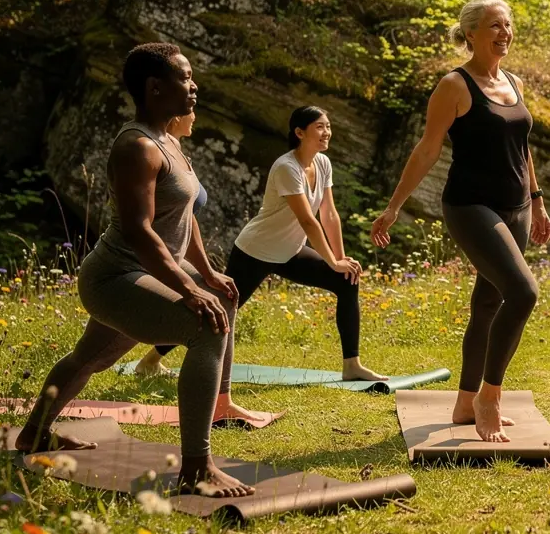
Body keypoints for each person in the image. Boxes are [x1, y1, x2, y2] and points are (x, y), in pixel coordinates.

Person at [14, 43, 252, 498]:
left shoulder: (170, 141)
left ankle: (33, 435)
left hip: (141, 273)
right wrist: (188, 289)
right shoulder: (137, 147)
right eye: (185, 78)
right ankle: (196, 469)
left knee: (91, 357)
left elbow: (186, 217)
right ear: (155, 87)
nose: (194, 85)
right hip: (115, 278)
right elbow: (141, 233)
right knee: (207, 327)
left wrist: (206, 272)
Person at [369, 0, 550, 443]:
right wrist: (394, 206)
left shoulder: (514, 82)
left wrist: (538, 200)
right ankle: (490, 395)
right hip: (471, 207)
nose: (504, 32)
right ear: (471, 33)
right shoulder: (454, 85)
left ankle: (464, 402)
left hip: (518, 208)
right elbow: (428, 149)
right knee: (524, 292)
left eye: (508, 25)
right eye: (495, 25)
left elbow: (522, 148)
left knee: (488, 305)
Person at [140, 106, 386, 406]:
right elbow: (308, 220)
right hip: (255, 251)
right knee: (220, 308)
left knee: (347, 281)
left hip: (290, 252)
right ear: (299, 132)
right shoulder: (286, 167)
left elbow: (329, 214)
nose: (327, 132)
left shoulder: (322, 163)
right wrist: (333, 261)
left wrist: (340, 260)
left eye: (329, 126)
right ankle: (150, 360)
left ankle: (352, 366)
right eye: (320, 127)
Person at [135, 109, 206, 379]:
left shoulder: (177, 149)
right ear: (175, 117)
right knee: (96, 353)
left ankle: (151, 363)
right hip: (152, 258)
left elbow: (188, 215)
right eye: (191, 112)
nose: (195, 117)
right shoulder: (151, 150)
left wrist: (207, 270)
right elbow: (140, 220)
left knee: (209, 302)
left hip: (175, 255)